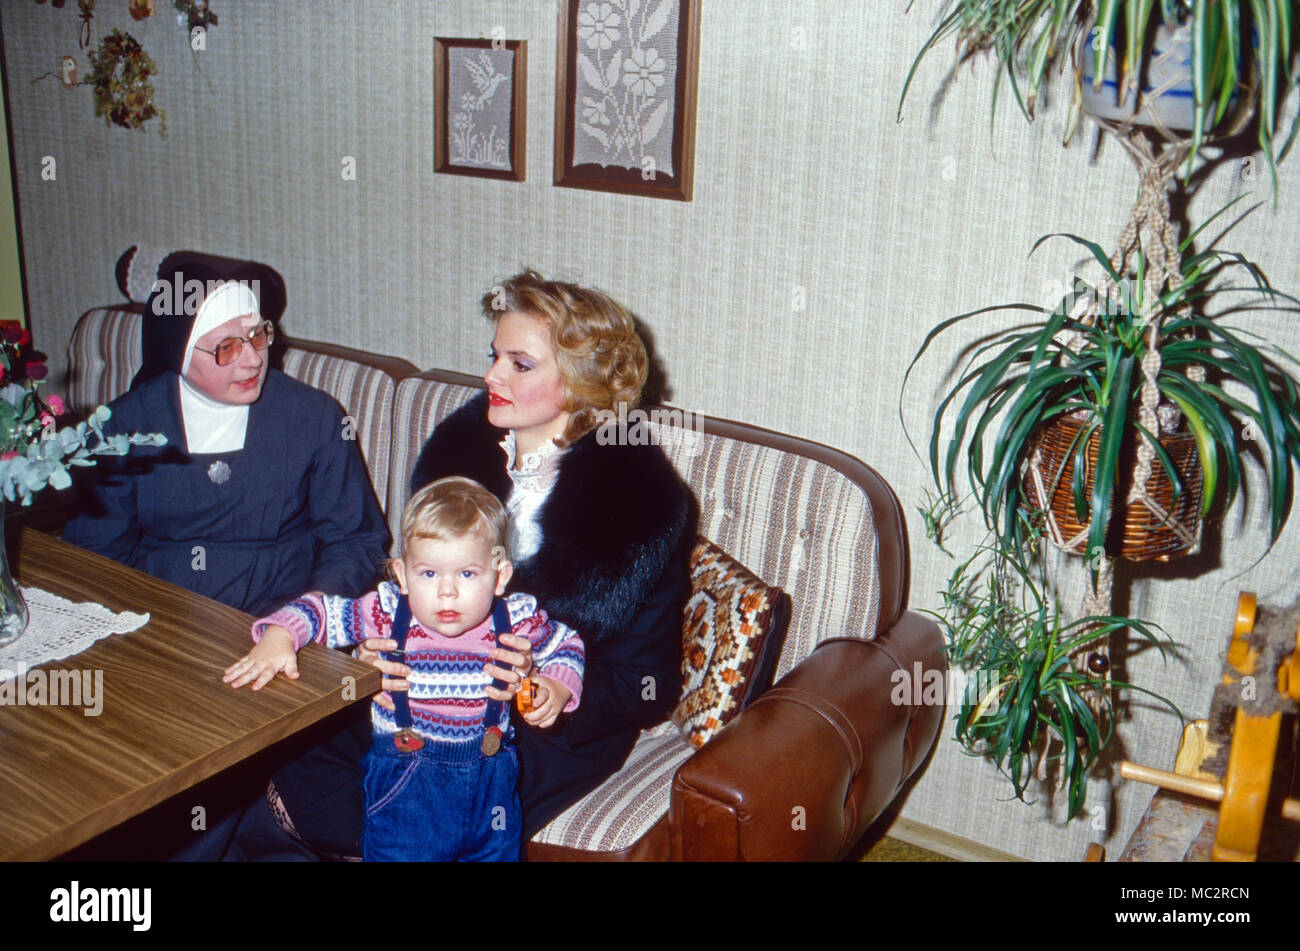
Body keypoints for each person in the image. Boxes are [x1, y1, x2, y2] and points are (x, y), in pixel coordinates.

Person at [62, 249, 390, 859]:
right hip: (162, 639)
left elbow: (357, 542)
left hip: (282, 640)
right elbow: (94, 560)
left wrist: (300, 623)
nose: (251, 359)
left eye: (257, 335)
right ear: (178, 351)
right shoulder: (125, 427)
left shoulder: (315, 419)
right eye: (225, 347)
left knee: (199, 787)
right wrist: (144, 646)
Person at [224, 476, 584, 861]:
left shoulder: (515, 620)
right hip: (406, 797)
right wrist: (280, 633)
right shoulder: (387, 612)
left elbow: (567, 643)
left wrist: (555, 685)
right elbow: (322, 611)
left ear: (500, 576)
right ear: (401, 573)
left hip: (491, 801)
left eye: (467, 574)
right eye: (428, 573)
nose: (447, 591)